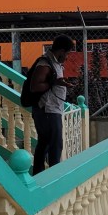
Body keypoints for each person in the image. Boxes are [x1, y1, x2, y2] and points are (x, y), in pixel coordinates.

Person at [28, 34, 75, 175]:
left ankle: (40, 175)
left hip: (51, 109)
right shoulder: (45, 63)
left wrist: (59, 82)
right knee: (55, 145)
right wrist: (54, 83)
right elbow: (35, 86)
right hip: (48, 110)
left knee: (45, 144)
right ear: (61, 51)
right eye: (67, 54)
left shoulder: (54, 62)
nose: (67, 57)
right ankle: (55, 177)